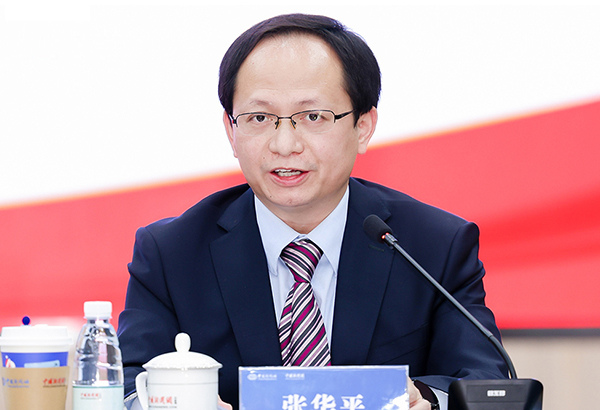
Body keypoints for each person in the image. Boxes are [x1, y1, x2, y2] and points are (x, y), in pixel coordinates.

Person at [118, 13, 508, 410]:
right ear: (231, 131)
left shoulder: (433, 246)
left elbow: (486, 381)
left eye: (313, 117)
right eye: (259, 118)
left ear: (363, 126)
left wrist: (425, 399)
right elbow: (128, 384)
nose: (284, 145)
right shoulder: (171, 253)